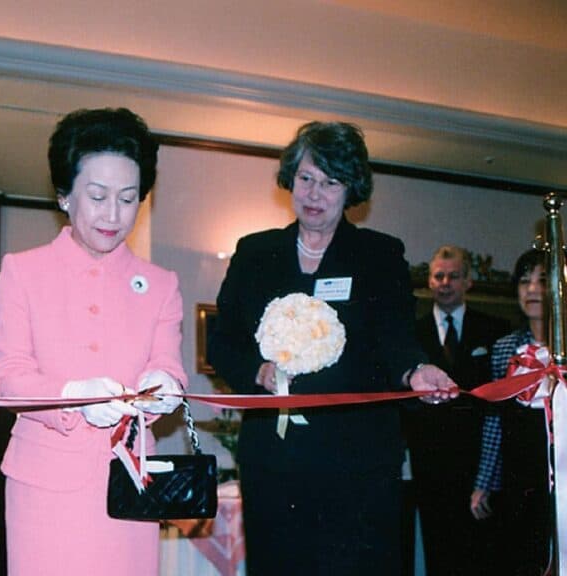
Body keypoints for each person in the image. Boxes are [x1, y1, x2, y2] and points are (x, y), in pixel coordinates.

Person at [207, 121, 456, 576]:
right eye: (305, 178)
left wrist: (416, 370)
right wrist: (257, 371)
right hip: (274, 467)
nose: (315, 194)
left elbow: (396, 340)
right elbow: (222, 342)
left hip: (358, 467)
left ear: (350, 189)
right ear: (290, 180)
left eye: (330, 182)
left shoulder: (379, 255)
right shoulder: (255, 253)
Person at [0, 107, 186, 576]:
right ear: (64, 196)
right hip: (45, 488)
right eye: (97, 196)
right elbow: (9, 378)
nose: (113, 215)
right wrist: (71, 398)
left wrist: (166, 384)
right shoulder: (23, 272)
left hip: (130, 485)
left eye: (128, 198)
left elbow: (170, 365)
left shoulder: (160, 284)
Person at [404, 245, 508, 575]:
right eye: (439, 276)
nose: (446, 282)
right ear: (429, 283)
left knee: (483, 552)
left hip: (480, 462)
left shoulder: (494, 329)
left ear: (468, 282)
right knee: (438, 550)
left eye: (454, 276)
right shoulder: (411, 335)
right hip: (429, 462)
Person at [475, 249, 550, 576]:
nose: (532, 289)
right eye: (524, 281)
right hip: (518, 476)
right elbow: (494, 422)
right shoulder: (505, 348)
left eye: (543, 281)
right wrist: (483, 482)